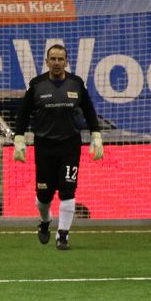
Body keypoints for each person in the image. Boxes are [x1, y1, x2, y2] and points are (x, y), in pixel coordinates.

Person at [12, 44, 104, 250]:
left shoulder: (76, 84)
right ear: (46, 62)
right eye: (52, 59)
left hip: (70, 147)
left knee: (68, 191)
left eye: (60, 59)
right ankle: (45, 222)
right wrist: (19, 138)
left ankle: (63, 236)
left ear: (66, 61)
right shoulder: (36, 85)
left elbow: (89, 111)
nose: (56, 63)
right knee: (44, 196)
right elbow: (23, 114)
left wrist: (96, 135)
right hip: (44, 147)